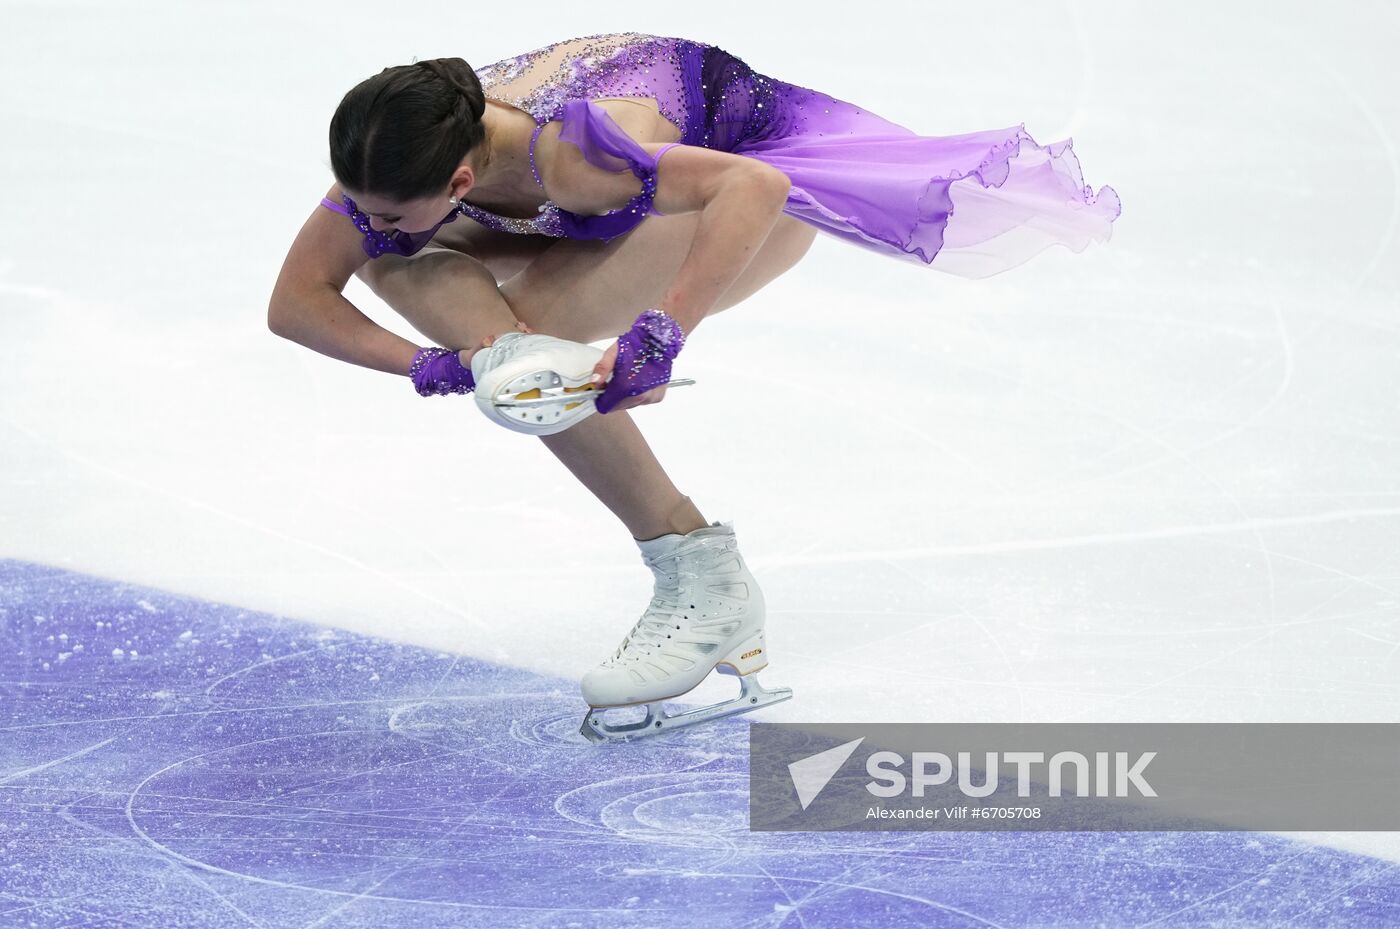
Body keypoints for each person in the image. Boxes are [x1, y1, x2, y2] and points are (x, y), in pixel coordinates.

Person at [267, 31, 1121, 741]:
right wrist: (432, 364)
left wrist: (663, 334)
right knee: (452, 308)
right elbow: (296, 300)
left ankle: (704, 579)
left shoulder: (579, 154)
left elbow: (755, 187)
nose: (367, 220)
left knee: (520, 352)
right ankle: (679, 547)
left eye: (385, 209)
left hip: (744, 204)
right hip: (618, 203)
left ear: (459, 182)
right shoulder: (397, 143)